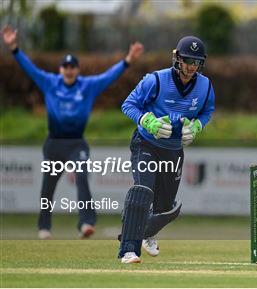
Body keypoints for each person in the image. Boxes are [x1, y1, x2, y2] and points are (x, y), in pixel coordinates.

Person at [1, 25, 144, 239]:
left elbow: (108, 76)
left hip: (77, 143)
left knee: (82, 178)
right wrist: (14, 48)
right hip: (54, 143)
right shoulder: (50, 83)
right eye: (65, 66)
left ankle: (86, 222)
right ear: (61, 69)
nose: (68, 70)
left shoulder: (87, 86)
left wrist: (127, 60)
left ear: (77, 69)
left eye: (72, 66)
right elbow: (29, 69)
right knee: (48, 186)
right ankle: (44, 226)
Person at [118, 35, 215, 263]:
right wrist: (146, 121)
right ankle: (129, 250)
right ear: (177, 58)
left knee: (165, 208)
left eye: (196, 62)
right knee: (143, 189)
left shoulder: (205, 86)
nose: (191, 67)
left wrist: (198, 125)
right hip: (146, 143)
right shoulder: (156, 80)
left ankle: (148, 232)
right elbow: (128, 104)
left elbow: (207, 111)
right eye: (187, 61)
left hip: (173, 150)